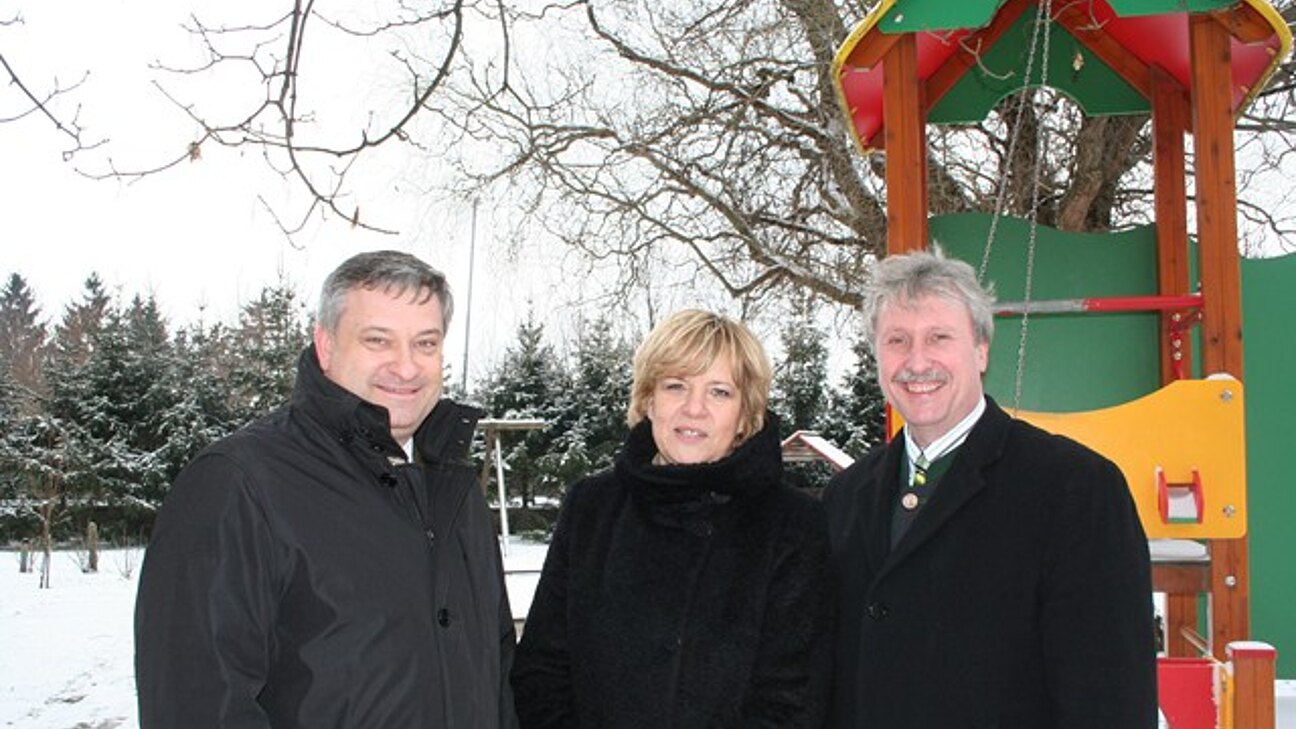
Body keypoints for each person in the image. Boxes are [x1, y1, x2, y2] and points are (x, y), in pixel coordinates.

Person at [135, 250, 518, 728]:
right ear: (326, 345)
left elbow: (499, 676)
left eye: (425, 343)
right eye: (378, 340)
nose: (406, 367)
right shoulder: (239, 484)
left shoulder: (455, 491)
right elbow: (197, 706)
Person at [823, 248, 1157, 727]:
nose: (917, 361)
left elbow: (1110, 698)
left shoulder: (1075, 489)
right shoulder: (845, 498)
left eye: (939, 337)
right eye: (897, 340)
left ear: (981, 349)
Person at [511, 309, 835, 728]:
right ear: (649, 399)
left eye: (719, 392)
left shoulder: (793, 526)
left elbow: (792, 700)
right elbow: (542, 670)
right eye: (676, 386)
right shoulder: (592, 509)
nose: (694, 408)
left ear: (745, 415)